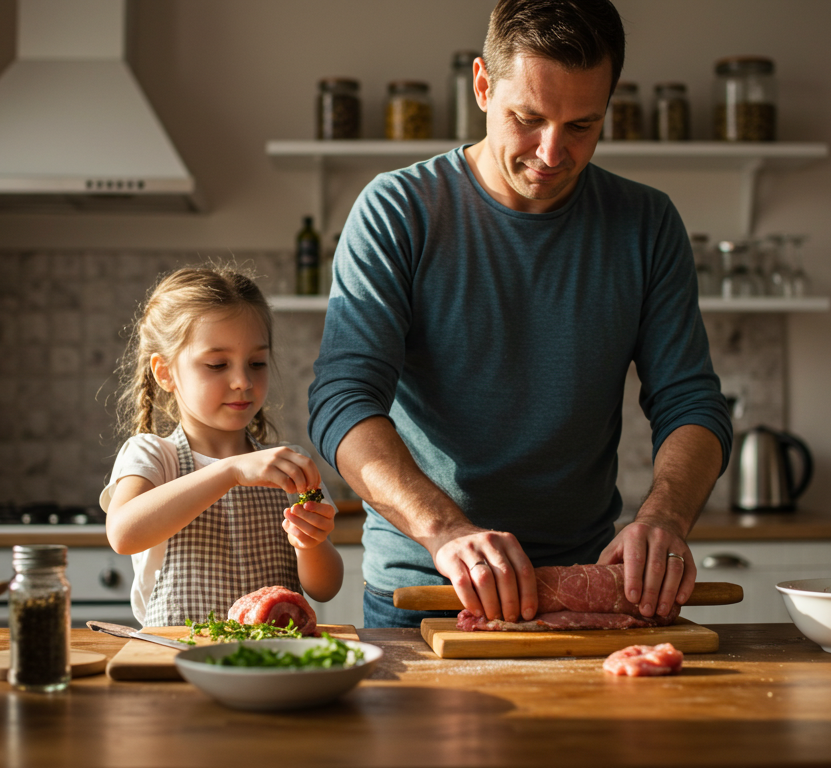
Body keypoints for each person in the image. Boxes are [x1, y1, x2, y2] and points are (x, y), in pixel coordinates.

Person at [307, 0, 732, 628]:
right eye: (527, 118)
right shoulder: (397, 211)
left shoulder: (646, 224)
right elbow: (343, 401)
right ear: (482, 85)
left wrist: (662, 519)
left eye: (583, 125)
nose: (552, 152)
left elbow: (691, 402)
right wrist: (446, 532)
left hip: (584, 584)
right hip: (429, 586)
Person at [102, 267, 343, 627]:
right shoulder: (153, 455)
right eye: (217, 364)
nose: (243, 381)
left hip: (273, 664)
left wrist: (311, 544)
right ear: (165, 372)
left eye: (257, 363)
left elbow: (325, 588)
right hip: (177, 663)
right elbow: (123, 534)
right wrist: (229, 470)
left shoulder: (288, 465)